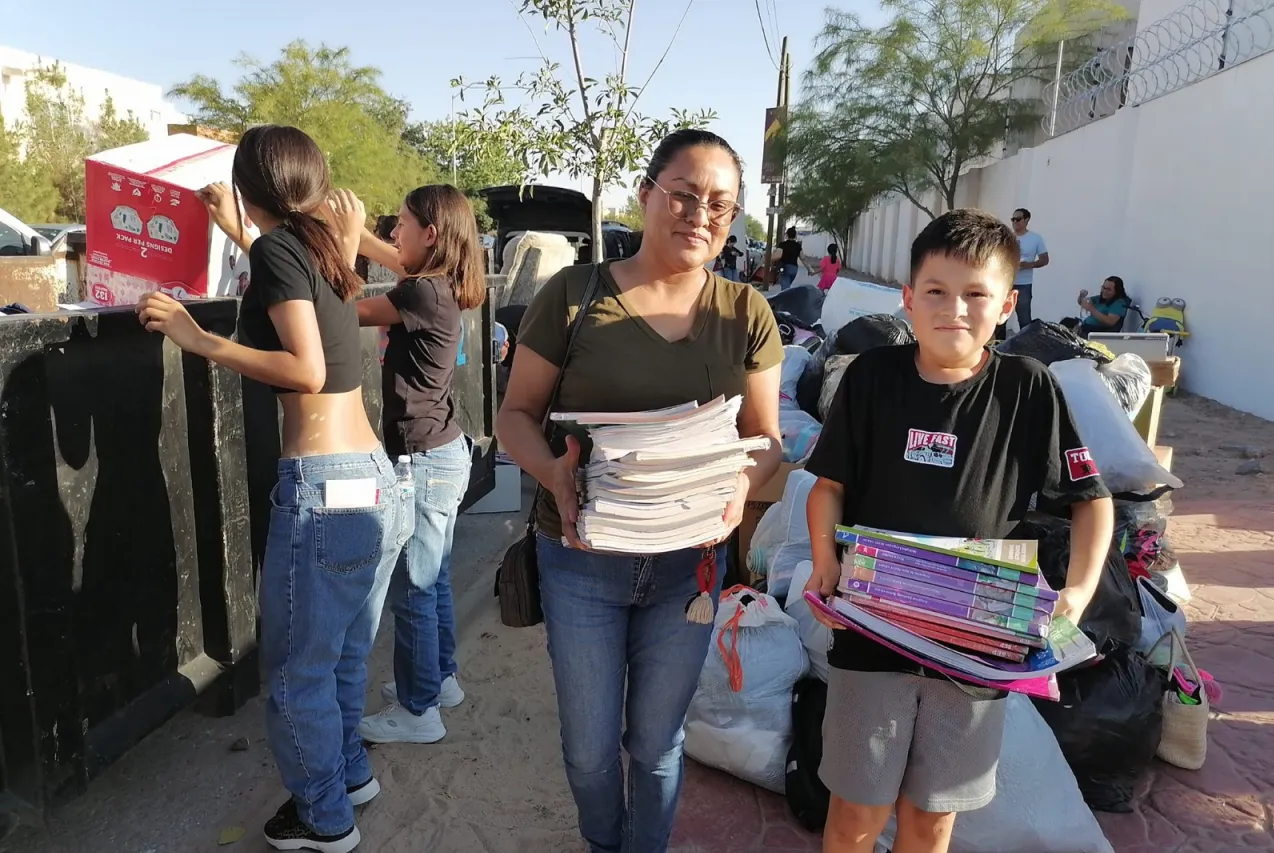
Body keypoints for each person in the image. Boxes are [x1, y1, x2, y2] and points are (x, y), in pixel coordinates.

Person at [496, 128, 783, 853]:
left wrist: (739, 486)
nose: (699, 214)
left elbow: (768, 439)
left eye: (720, 204)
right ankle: (605, 842)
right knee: (590, 750)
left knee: (657, 746)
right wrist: (554, 472)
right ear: (647, 194)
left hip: (689, 571)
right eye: (683, 195)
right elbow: (514, 416)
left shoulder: (745, 313)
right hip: (582, 560)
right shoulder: (574, 296)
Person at [803, 208, 1113, 853]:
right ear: (909, 298)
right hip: (871, 632)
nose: (956, 310)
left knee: (933, 819)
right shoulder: (870, 378)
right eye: (937, 292)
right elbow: (828, 488)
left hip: (974, 649)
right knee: (855, 816)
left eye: (977, 294)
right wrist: (823, 561)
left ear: (1006, 305)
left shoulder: (1028, 389)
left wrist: (1075, 595)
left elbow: (1092, 500)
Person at [138, 124, 409, 853]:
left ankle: (325, 818)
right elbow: (301, 296)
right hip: (373, 480)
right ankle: (350, 775)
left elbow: (307, 368)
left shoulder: (281, 249)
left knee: (293, 676)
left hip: (325, 487)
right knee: (342, 656)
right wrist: (241, 228)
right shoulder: (320, 248)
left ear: (250, 188)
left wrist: (201, 339)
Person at [347, 184, 487, 745]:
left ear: (430, 235)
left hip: (424, 461)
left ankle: (419, 710)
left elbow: (345, 314)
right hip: (442, 453)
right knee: (433, 581)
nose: (392, 233)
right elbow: (394, 258)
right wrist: (345, 231)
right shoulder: (440, 282)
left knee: (414, 590)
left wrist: (331, 252)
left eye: (400, 223)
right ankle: (440, 678)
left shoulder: (421, 293)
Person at [1002, 207, 1048, 336]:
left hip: (1024, 283)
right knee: (1000, 317)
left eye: (1018, 219)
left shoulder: (1035, 238)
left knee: (1024, 319)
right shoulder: (1007, 237)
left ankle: (1025, 347)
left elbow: (1045, 259)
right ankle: (998, 346)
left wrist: (1028, 265)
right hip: (1006, 282)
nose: (1015, 222)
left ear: (1026, 220)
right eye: (1013, 219)